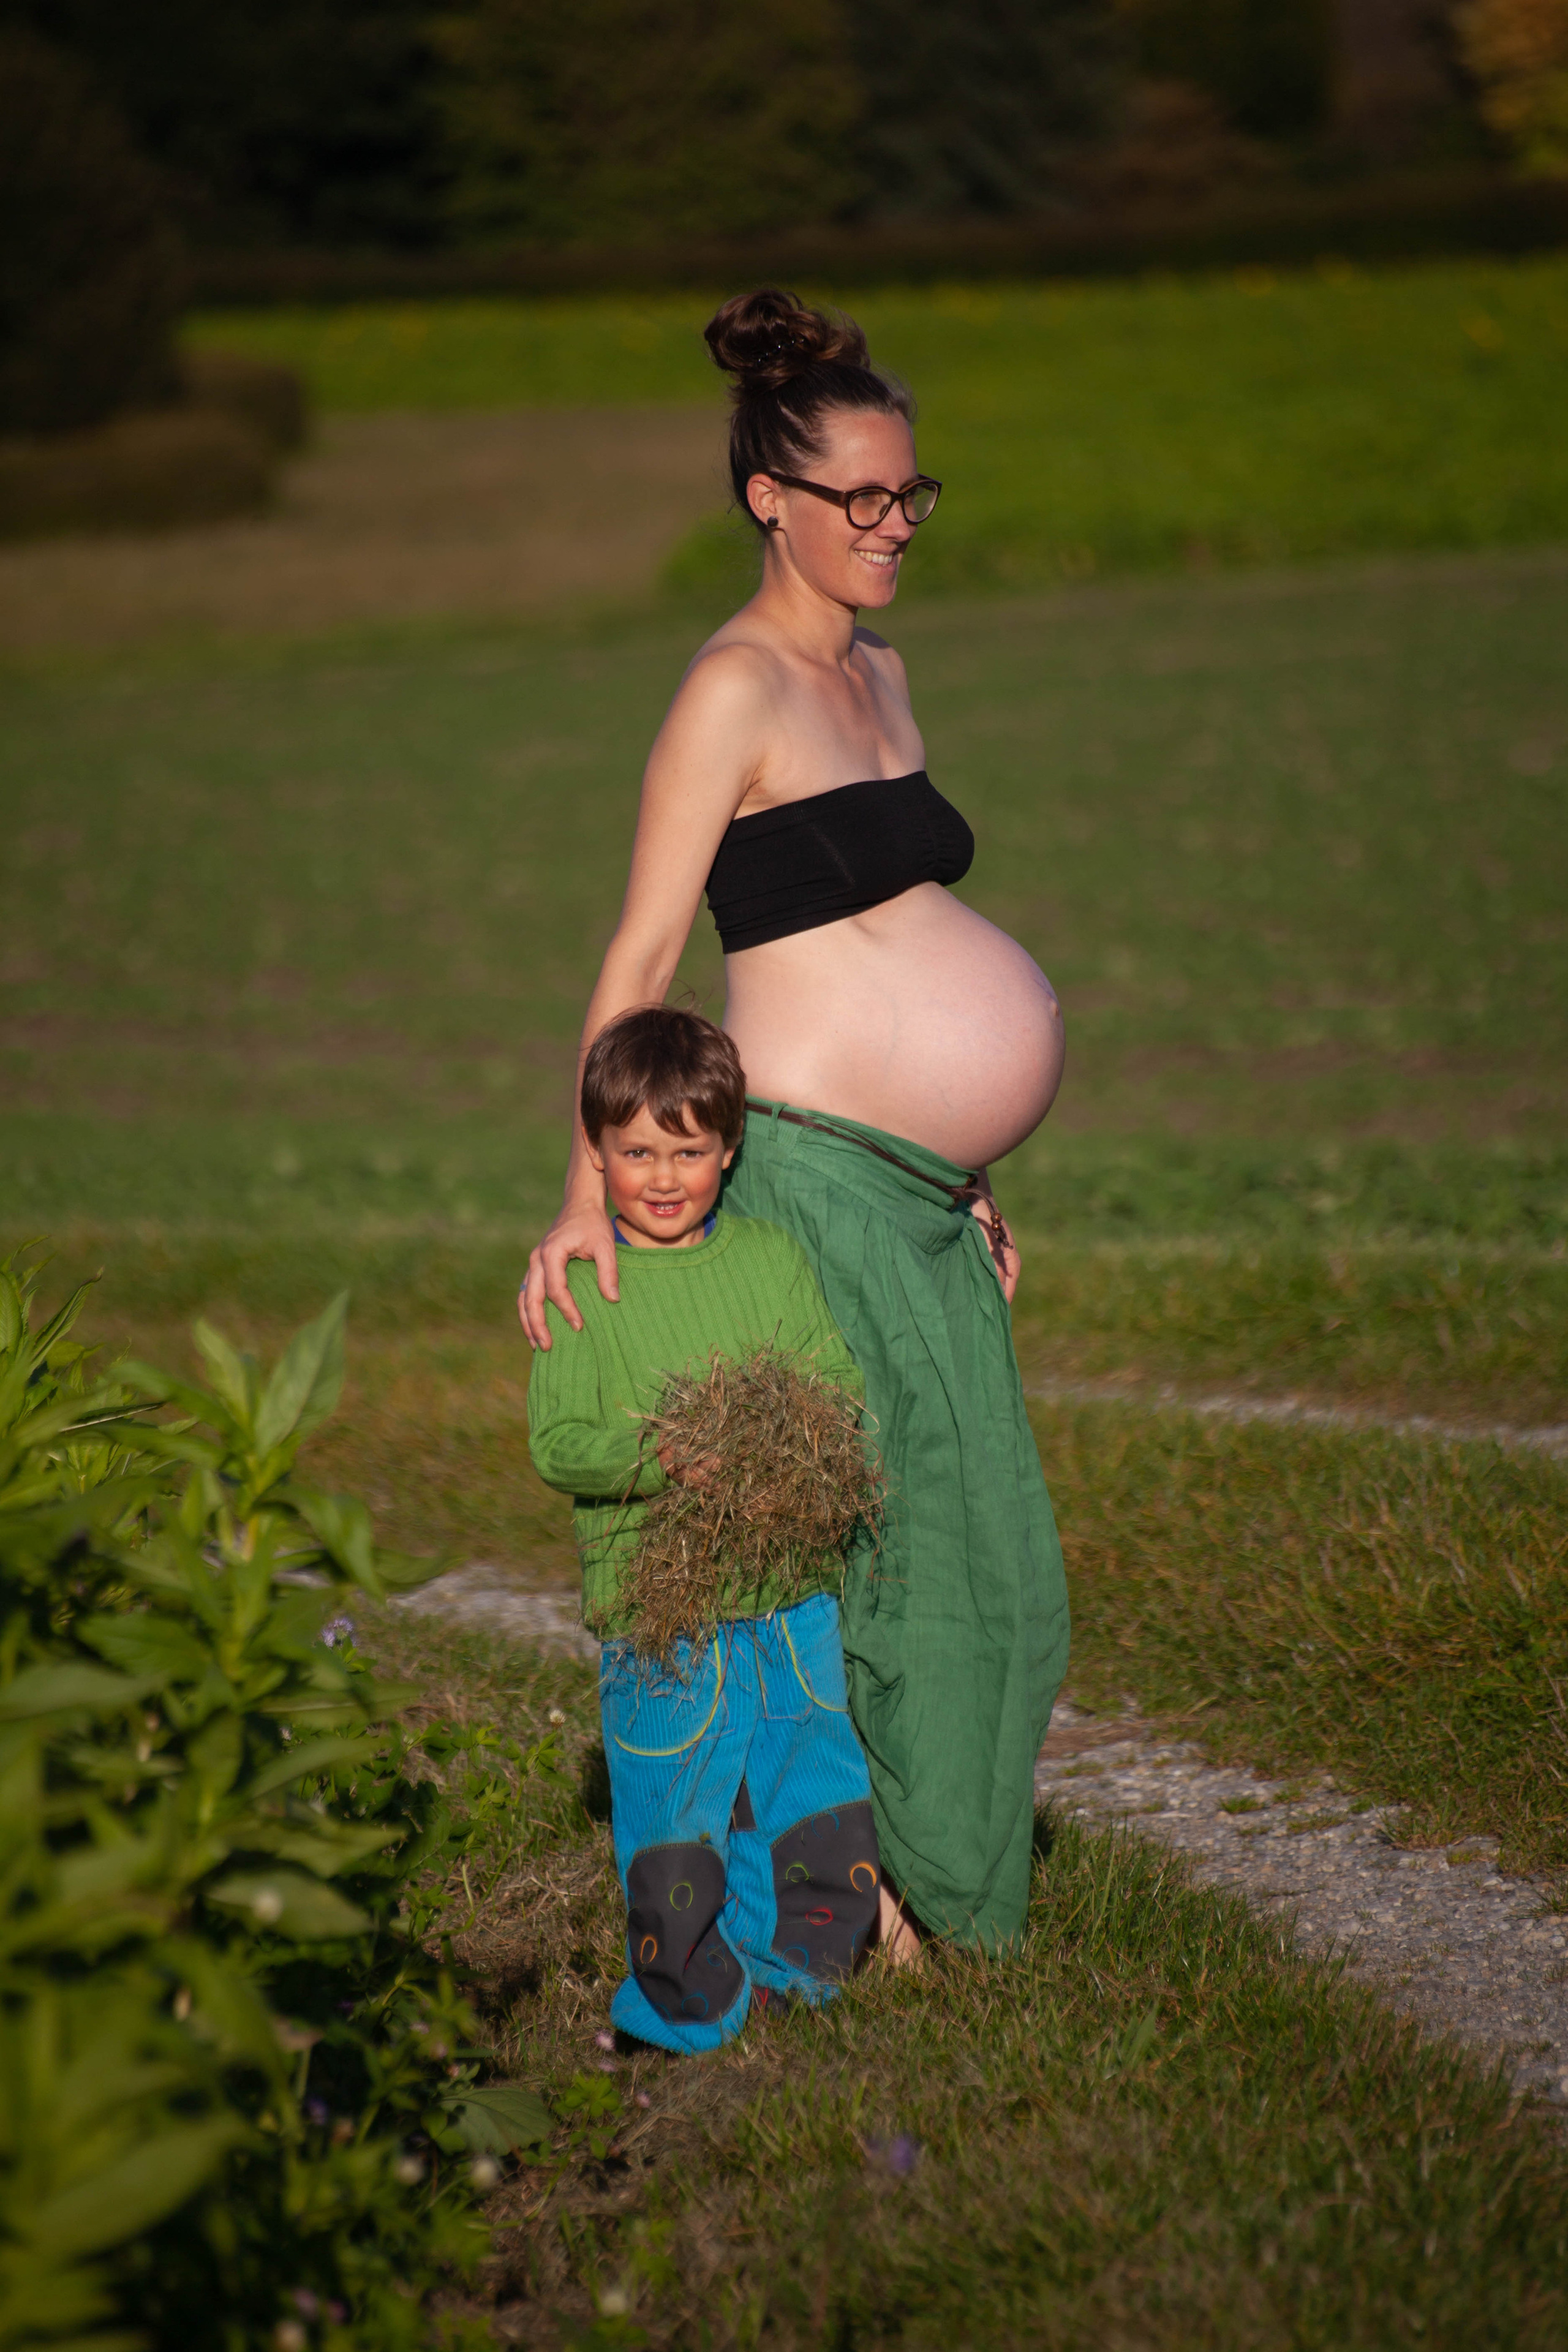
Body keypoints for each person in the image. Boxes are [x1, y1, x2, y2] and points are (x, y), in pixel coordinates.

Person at [522, 287, 1069, 1959]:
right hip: (813, 1174)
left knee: (991, 1552)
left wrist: (969, 1163)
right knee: (901, 1545)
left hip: (917, 1190)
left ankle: (907, 1869)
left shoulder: (882, 674)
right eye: (862, 498)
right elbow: (641, 957)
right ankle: (878, 1895)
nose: (893, 525)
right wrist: (584, 1194)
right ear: (772, 497)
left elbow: (902, 929)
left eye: (911, 495)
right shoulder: (733, 691)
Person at [527, 1003, 881, 2054]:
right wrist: (665, 1457)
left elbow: (833, 1380)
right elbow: (559, 1443)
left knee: (813, 1797)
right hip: (662, 1609)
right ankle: (678, 2018)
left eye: (689, 1151)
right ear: (597, 1154)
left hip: (789, 1590)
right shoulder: (584, 1283)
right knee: (676, 1816)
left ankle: (800, 1986)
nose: (664, 1178)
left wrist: (789, 1446)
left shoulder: (768, 1258)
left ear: (730, 1149)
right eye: (638, 1152)